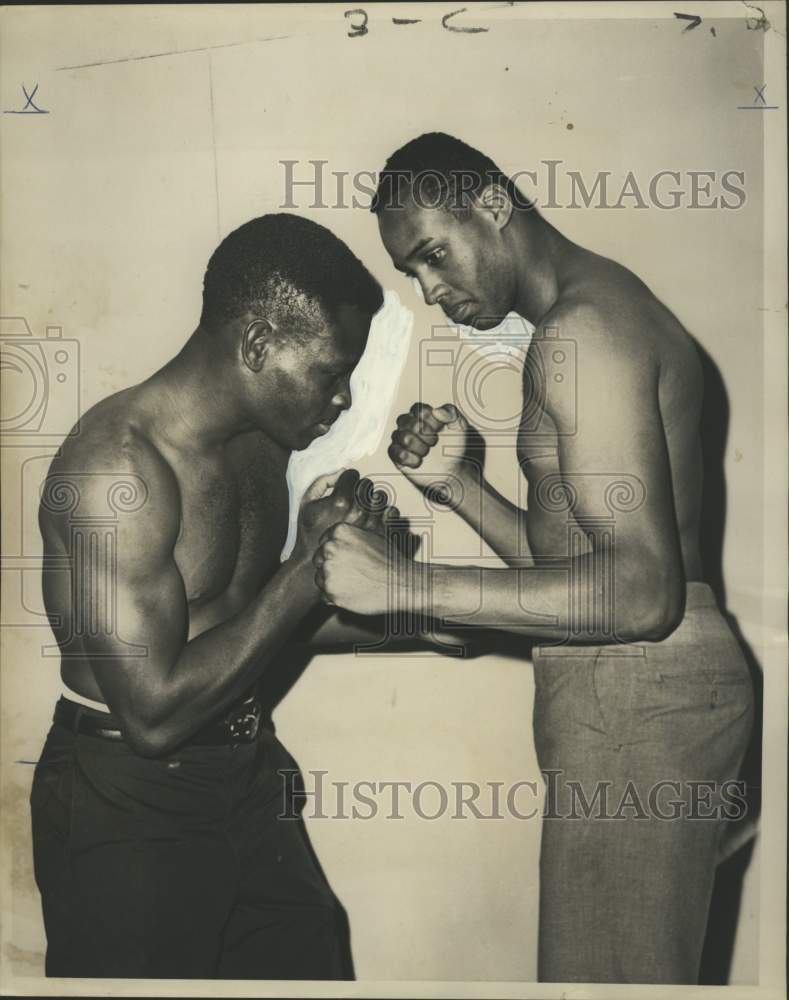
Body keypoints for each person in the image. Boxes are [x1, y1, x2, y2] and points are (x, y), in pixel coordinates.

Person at [313, 133, 755, 984]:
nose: (432, 294)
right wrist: (460, 487)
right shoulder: (593, 315)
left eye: (433, 256)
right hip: (637, 691)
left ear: (494, 205)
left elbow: (641, 591)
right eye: (413, 276)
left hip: (638, 696)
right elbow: (583, 567)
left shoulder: (580, 336)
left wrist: (404, 585)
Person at [33, 213, 416, 980]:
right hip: (129, 797)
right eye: (329, 372)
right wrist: (305, 570)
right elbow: (153, 711)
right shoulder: (117, 472)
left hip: (245, 772)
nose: (341, 400)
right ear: (257, 344)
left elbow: (242, 631)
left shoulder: (261, 445)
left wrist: (421, 614)